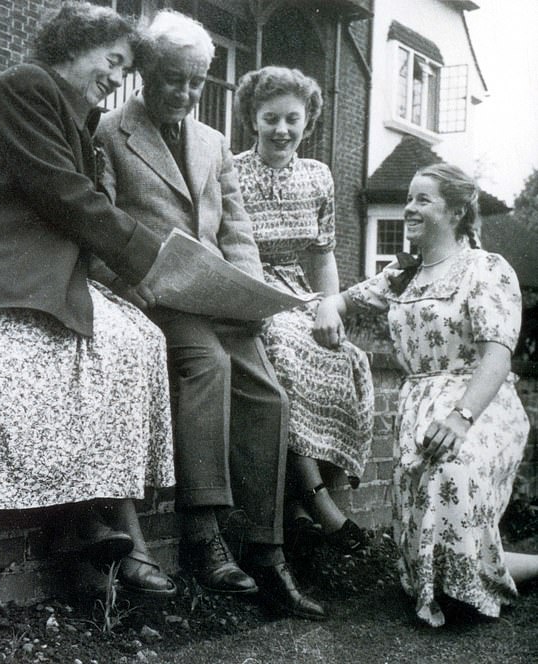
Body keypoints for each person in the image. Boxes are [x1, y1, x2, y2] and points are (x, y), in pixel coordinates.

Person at [0, 2, 177, 596]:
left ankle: (86, 526)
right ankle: (91, 525)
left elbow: (73, 212)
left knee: (133, 337)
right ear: (72, 47)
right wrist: (148, 257)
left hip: (17, 260)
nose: (116, 77)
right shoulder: (27, 86)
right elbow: (63, 194)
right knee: (73, 340)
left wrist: (132, 278)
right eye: (112, 61)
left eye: (124, 69)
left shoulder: (73, 117)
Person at [95, 9, 325, 619]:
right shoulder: (109, 134)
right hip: (160, 295)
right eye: (175, 79)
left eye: (198, 81)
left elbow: (237, 228)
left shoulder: (214, 141)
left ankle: (266, 551)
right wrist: (128, 282)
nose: (188, 93)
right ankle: (201, 535)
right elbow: (98, 228)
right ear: (145, 72)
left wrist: (252, 294)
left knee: (268, 394)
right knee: (206, 365)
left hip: (220, 297)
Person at [319, 162, 538, 626]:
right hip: (418, 408)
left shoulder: (485, 269)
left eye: (423, 199)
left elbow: (496, 358)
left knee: (452, 469)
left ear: (458, 210)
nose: (409, 208)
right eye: (409, 199)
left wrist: (460, 419)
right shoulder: (403, 276)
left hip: (478, 404)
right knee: (429, 564)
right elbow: (344, 300)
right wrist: (327, 307)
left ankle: (473, 589)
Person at [233, 66, 374, 555]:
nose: (281, 130)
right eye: (270, 118)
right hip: (251, 287)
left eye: (292, 119)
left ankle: (298, 504)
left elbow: (322, 253)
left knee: (347, 357)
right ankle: (318, 505)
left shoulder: (318, 177)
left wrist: (329, 307)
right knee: (286, 350)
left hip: (300, 290)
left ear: (308, 122)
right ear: (253, 118)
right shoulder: (230, 170)